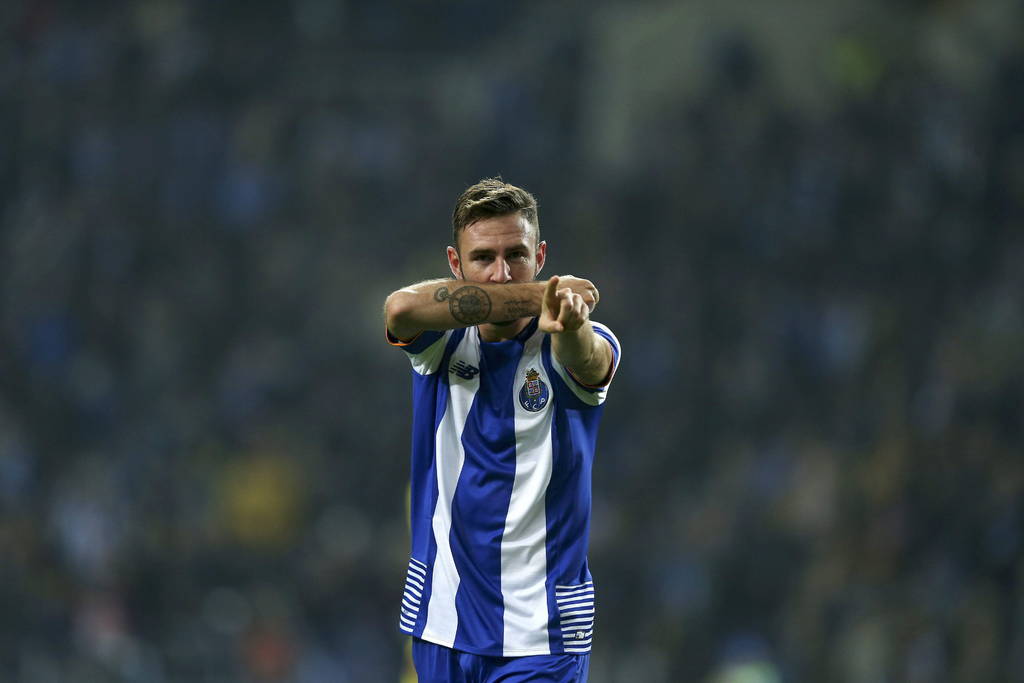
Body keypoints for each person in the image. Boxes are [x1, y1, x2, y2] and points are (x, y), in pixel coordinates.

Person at [384, 178, 621, 683]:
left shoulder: (576, 339)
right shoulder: (442, 344)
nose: (501, 273)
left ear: (540, 256)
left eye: (516, 255)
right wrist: (535, 295)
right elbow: (399, 310)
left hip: (542, 633)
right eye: (483, 258)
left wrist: (568, 321)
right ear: (455, 264)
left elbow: (587, 357)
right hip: (443, 621)